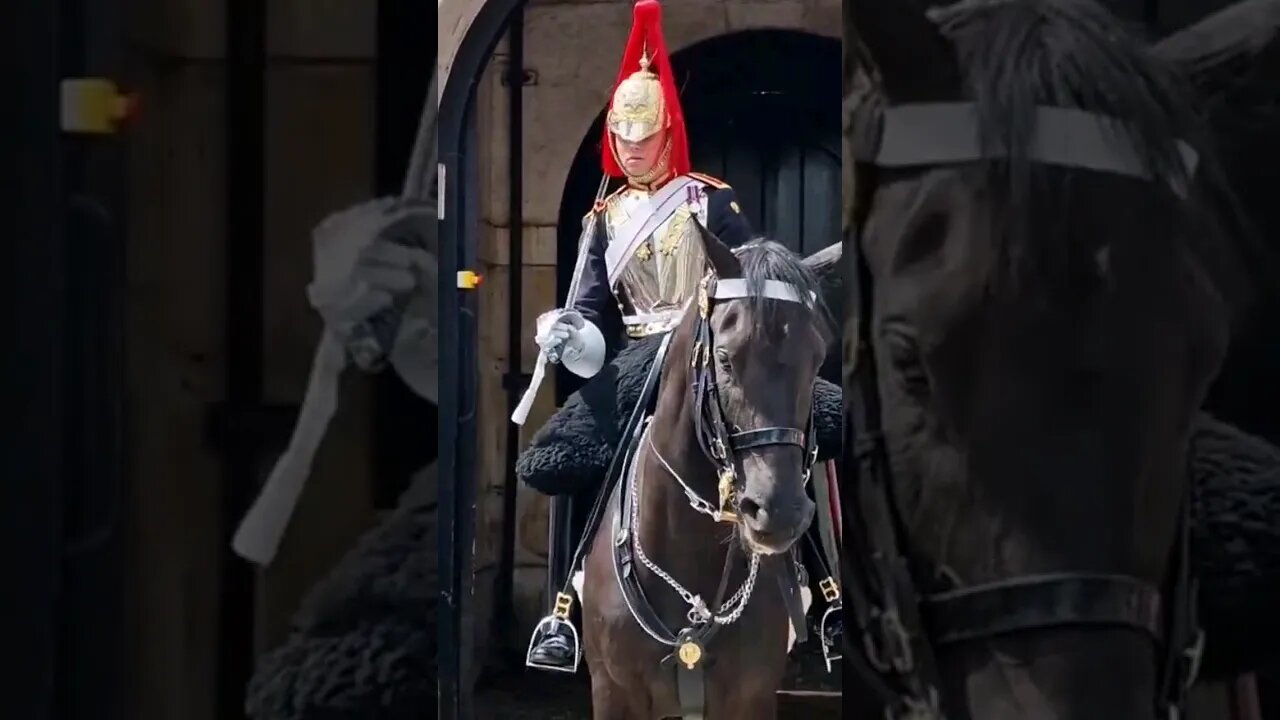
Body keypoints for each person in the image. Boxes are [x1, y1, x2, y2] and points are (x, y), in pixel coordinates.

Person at [517, 0, 756, 673]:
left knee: (800, 429)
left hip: (710, 353)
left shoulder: (710, 201)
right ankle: (563, 610)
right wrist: (567, 335)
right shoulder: (605, 219)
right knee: (558, 455)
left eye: (641, 134)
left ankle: (821, 594)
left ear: (667, 131)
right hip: (632, 361)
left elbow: (750, 279)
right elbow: (594, 314)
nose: (628, 146)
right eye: (621, 135)